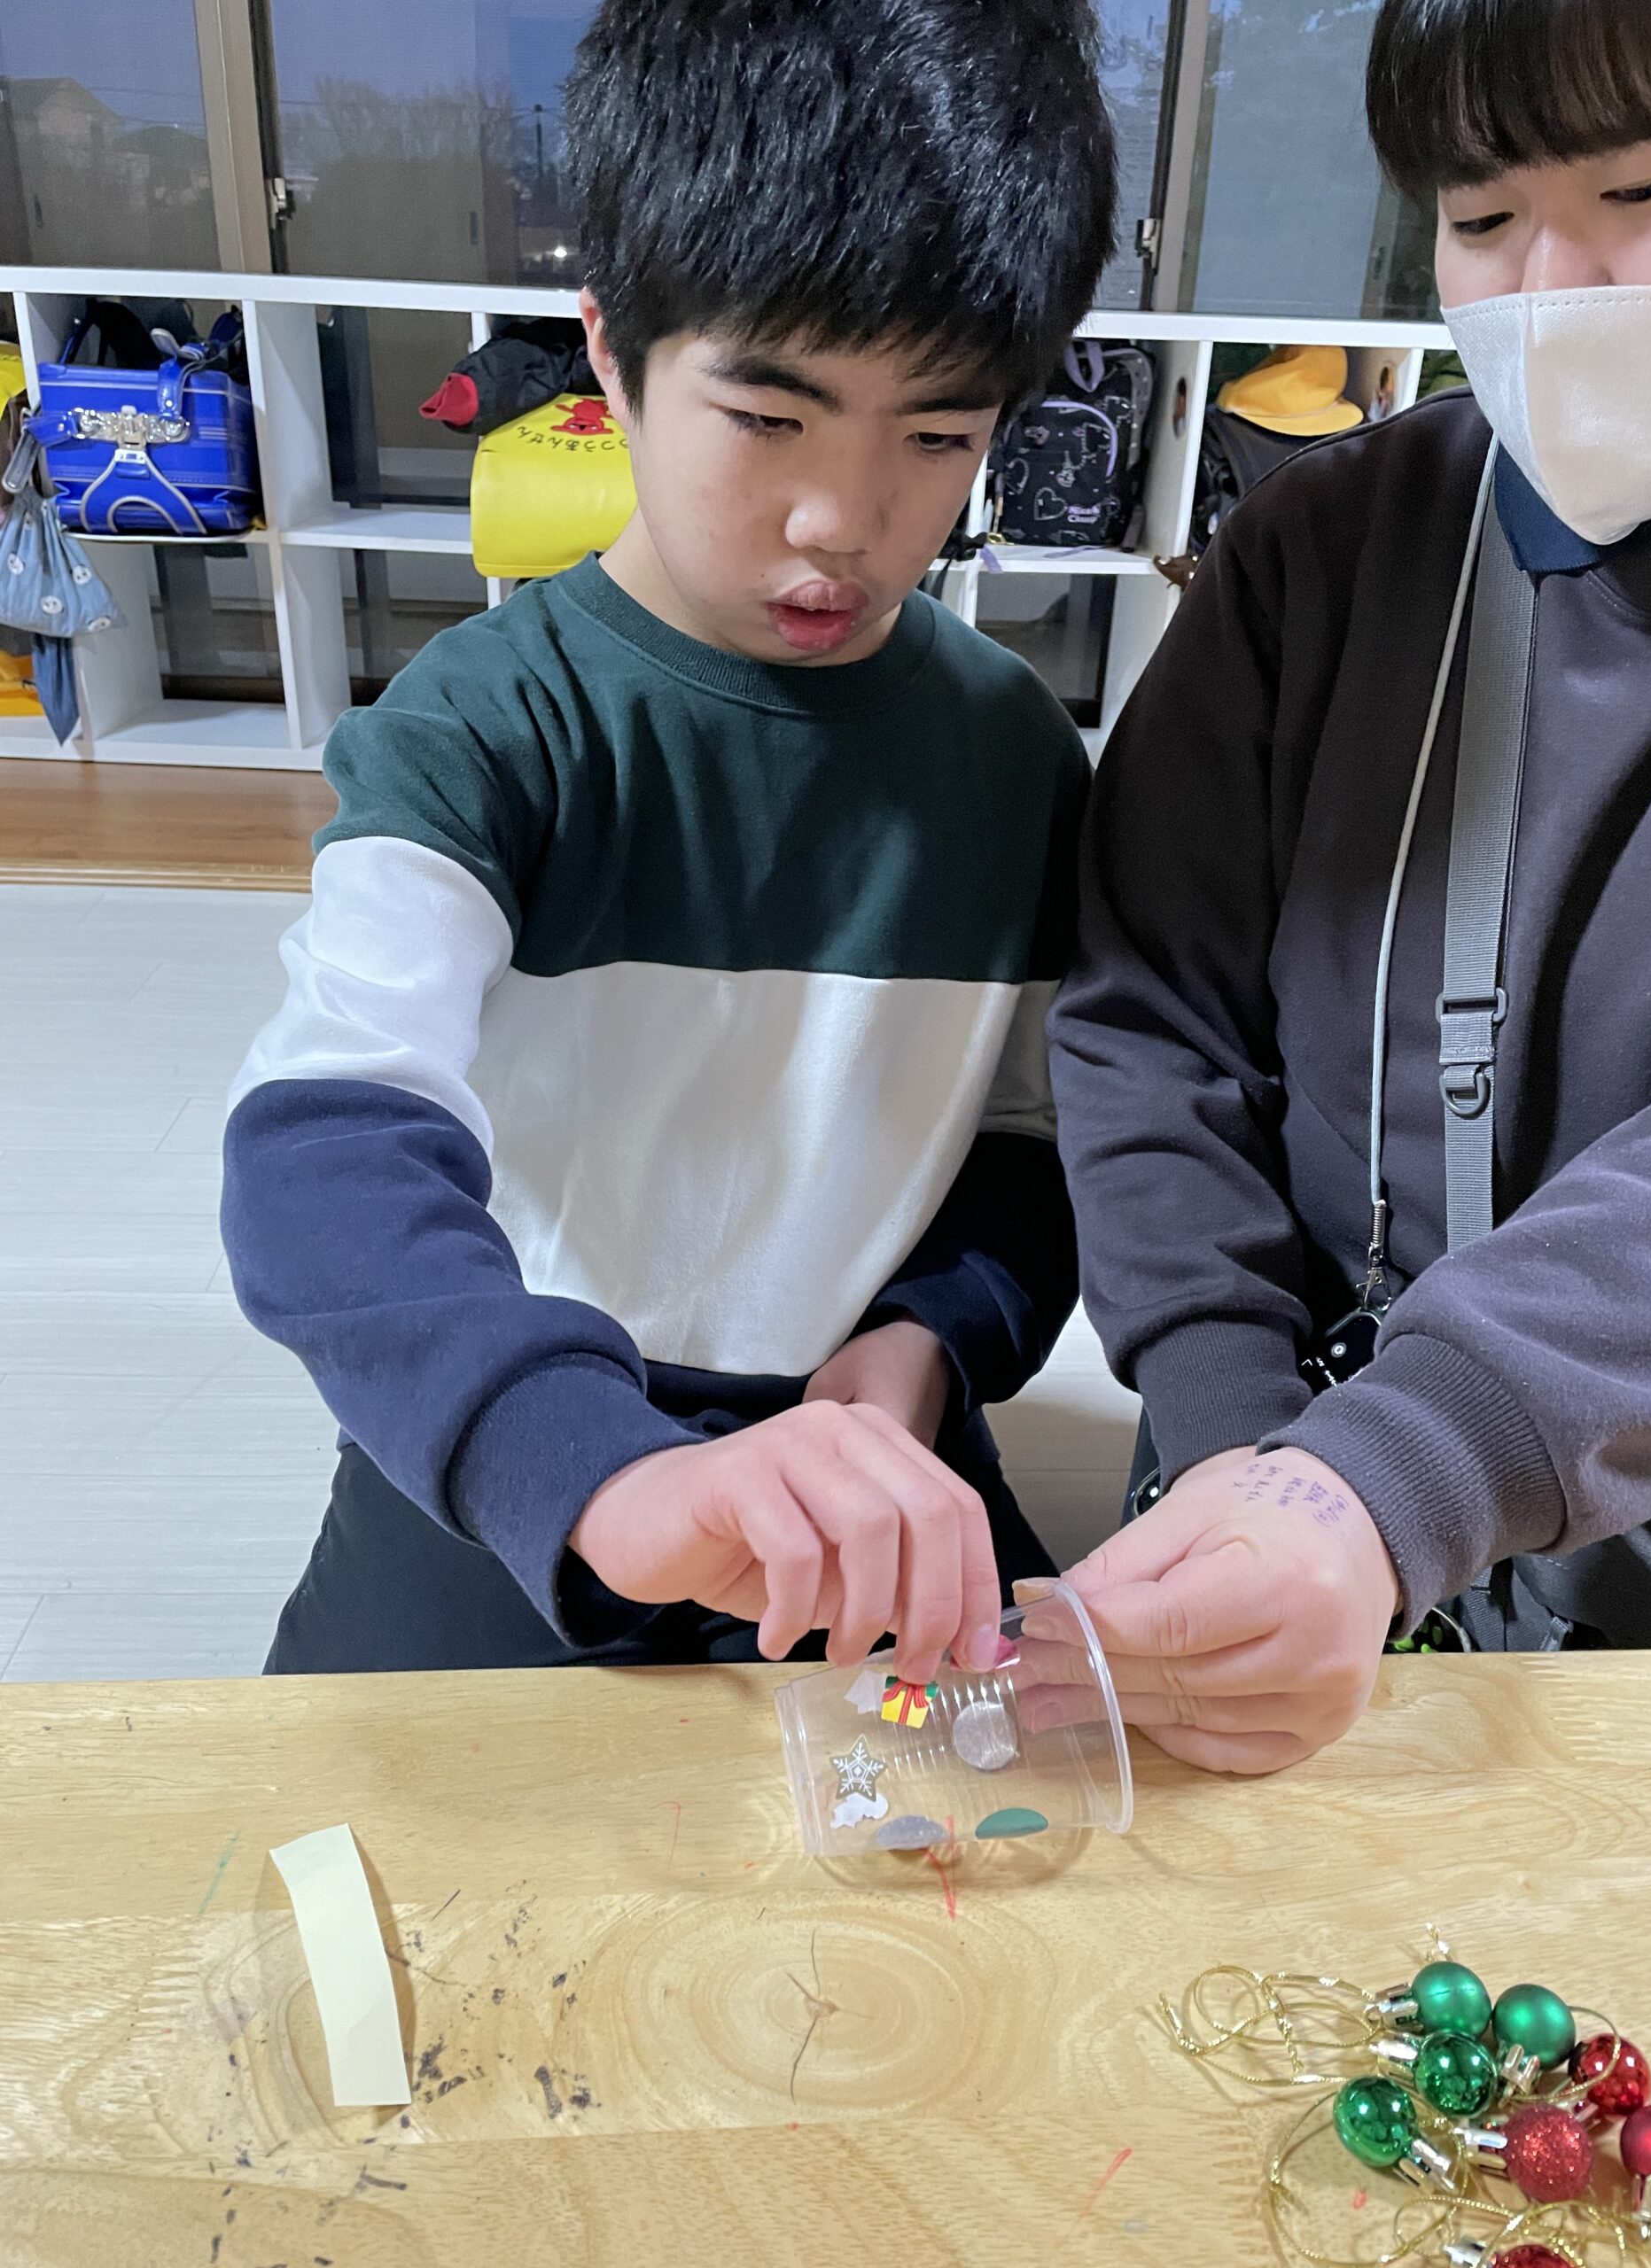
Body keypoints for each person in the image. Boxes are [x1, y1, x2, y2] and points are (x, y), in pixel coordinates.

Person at [221, 0, 1115, 1679]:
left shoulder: (1014, 753)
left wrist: (930, 1343)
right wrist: (596, 1471)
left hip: (863, 1437)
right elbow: (324, 1146)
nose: (842, 520)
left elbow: (1031, 1141)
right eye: (769, 418)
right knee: (355, 1811)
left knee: (1053, 1800)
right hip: (536, 1414)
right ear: (611, 356)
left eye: (939, 435)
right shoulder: (486, 727)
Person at [1042, 0, 1651, 1772]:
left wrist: (1398, 1469)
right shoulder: (1322, 555)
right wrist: (1240, 1443)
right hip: (1285, 1480)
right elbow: (1149, 1015)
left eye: (1644, 190)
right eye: (1482, 219)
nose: (1551, 289)